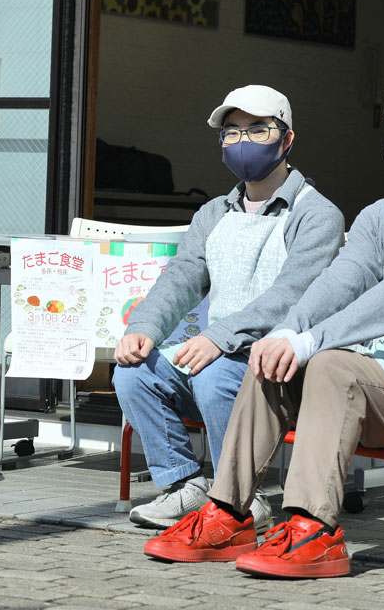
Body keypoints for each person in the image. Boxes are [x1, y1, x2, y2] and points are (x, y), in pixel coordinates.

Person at [144, 63, 384, 579]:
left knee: (329, 364)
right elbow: (339, 283)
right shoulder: (378, 215)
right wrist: (286, 334)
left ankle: (314, 530)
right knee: (271, 359)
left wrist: (312, 340)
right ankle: (227, 512)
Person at [113, 85, 345, 531]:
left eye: (258, 130)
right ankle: (184, 485)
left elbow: (293, 293)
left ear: (287, 139)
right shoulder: (213, 212)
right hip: (216, 355)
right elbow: (180, 278)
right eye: (232, 132)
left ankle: (241, 496)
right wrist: (144, 326)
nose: (242, 142)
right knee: (134, 371)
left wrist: (219, 338)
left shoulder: (316, 214)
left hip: (280, 366)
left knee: (215, 373)